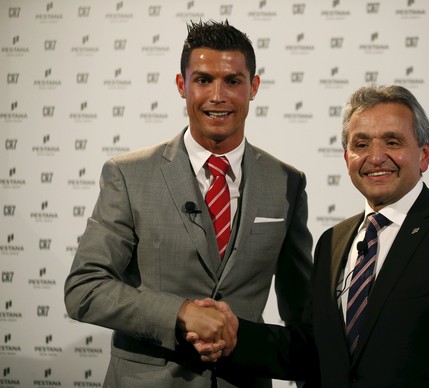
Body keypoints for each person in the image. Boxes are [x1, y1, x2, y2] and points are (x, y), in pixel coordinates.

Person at [194, 84, 429, 387]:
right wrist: (236, 335)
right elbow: (313, 351)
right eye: (361, 144)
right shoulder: (333, 241)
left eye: (392, 141)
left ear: (425, 154)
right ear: (347, 158)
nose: (375, 157)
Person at [64, 20, 313, 388]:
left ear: (253, 87)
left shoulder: (287, 182)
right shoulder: (128, 175)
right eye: (203, 80)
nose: (218, 96)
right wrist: (179, 314)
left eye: (232, 81)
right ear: (182, 86)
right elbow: (84, 288)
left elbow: (303, 317)